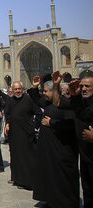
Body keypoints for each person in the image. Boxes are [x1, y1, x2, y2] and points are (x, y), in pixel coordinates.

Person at [29, 74, 78, 208]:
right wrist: (35, 87)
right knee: (50, 175)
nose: (44, 93)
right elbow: (36, 100)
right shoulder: (48, 103)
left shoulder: (66, 105)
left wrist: (52, 123)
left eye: (46, 91)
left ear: (53, 91)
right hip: (49, 149)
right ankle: (51, 200)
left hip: (62, 150)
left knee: (62, 177)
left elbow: (71, 125)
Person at [53, 72, 93, 206]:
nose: (84, 89)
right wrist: (56, 84)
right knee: (88, 190)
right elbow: (58, 103)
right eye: (82, 86)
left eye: (87, 86)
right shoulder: (80, 102)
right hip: (86, 156)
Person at [0, 81, 42, 190]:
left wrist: (34, 127)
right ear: (12, 90)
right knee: (15, 156)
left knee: (27, 158)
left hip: (26, 134)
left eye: (19, 89)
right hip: (14, 134)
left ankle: (27, 181)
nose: (18, 91)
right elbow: (8, 114)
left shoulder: (27, 100)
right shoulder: (10, 101)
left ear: (22, 89)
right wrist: (7, 123)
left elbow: (38, 113)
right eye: (16, 89)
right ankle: (17, 178)